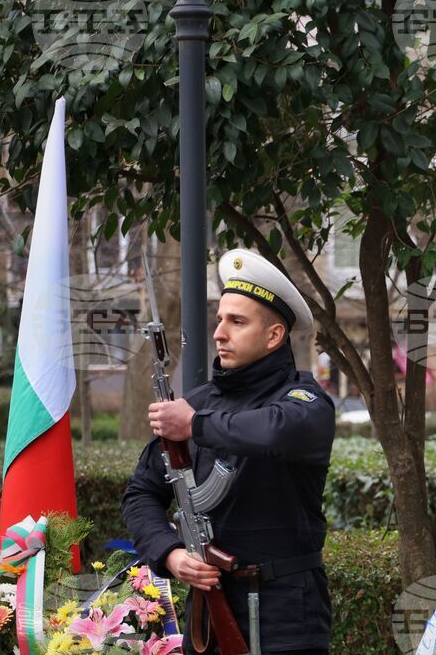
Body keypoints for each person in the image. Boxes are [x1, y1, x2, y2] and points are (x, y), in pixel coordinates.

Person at [122, 249, 335, 654]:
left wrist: (196, 425)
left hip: (288, 615)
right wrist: (169, 554)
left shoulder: (304, 400)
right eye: (220, 319)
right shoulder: (198, 402)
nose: (220, 332)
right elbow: (142, 493)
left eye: (237, 322)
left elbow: (277, 431)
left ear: (273, 335)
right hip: (210, 610)